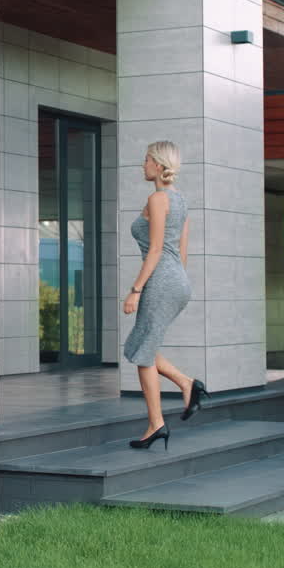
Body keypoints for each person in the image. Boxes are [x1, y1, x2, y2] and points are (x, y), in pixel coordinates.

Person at [122, 141, 208, 450]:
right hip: (177, 280)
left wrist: (136, 289)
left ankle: (156, 423)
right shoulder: (181, 201)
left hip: (161, 281)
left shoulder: (158, 198)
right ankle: (187, 384)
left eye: (146, 160)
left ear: (158, 165)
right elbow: (180, 252)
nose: (142, 164)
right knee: (141, 345)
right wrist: (177, 283)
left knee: (143, 352)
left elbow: (156, 249)